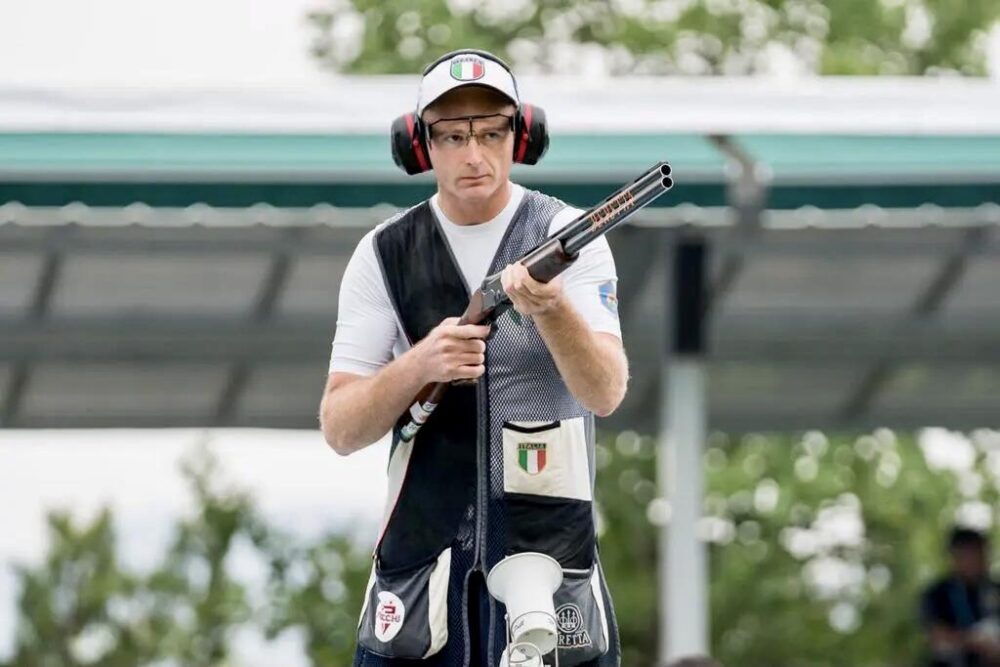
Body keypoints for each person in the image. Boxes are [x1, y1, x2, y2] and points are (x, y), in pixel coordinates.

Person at [319, 49, 628, 666]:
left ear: (522, 136)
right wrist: (418, 365)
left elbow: (606, 391)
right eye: (453, 135)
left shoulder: (571, 237)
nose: (474, 153)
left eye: (492, 132)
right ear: (420, 144)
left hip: (549, 564)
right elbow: (340, 426)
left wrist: (553, 310)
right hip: (420, 568)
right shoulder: (384, 254)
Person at [922, 527, 1000, 667]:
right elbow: (938, 638)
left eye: (980, 554)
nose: (975, 561)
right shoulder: (938, 594)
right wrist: (976, 642)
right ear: (954, 557)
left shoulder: (995, 589)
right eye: (968, 554)